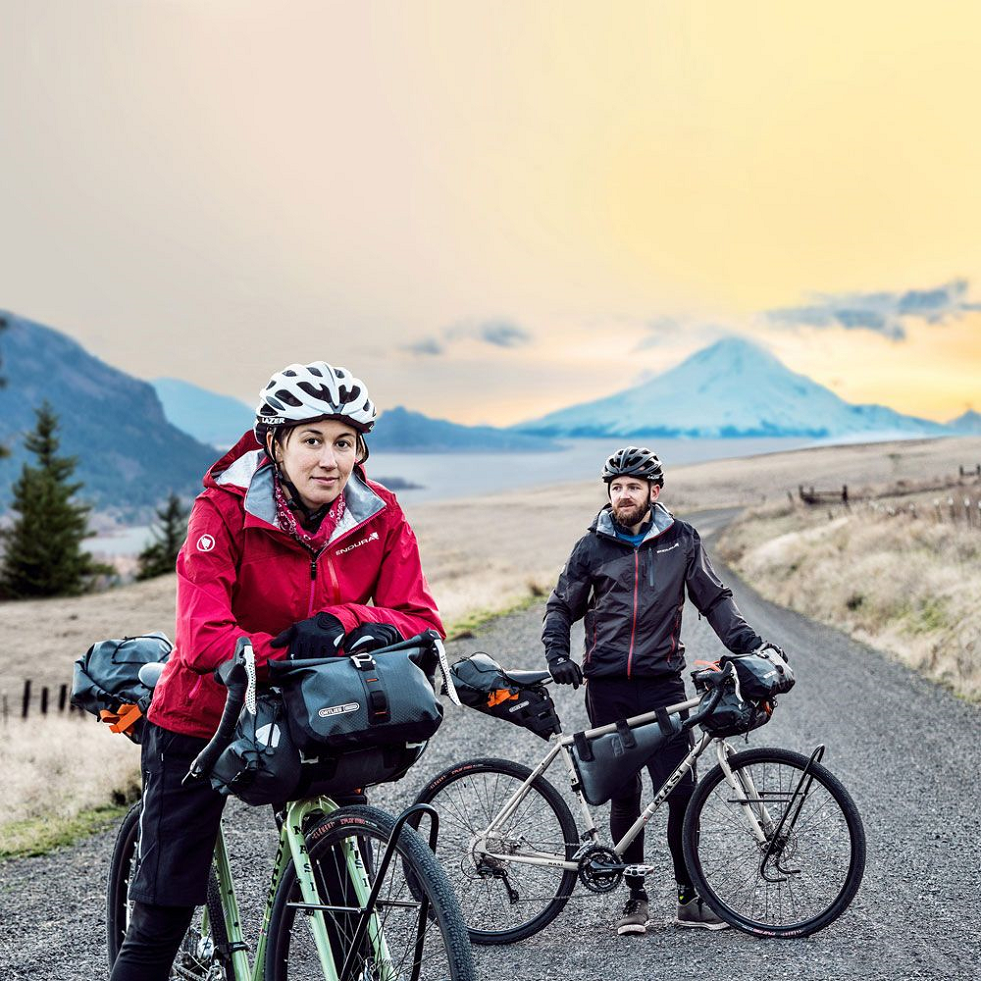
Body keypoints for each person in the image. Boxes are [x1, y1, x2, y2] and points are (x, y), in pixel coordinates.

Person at [110, 361, 443, 981]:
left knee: (346, 903)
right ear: (275, 443)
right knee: (161, 916)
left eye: (344, 442)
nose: (330, 460)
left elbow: (420, 620)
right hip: (203, 718)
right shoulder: (223, 510)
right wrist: (289, 653)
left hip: (316, 715)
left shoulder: (381, 516)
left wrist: (342, 621)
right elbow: (204, 636)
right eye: (312, 440)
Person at [542, 446, 773, 936]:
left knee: (680, 791)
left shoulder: (681, 541)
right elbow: (561, 606)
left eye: (633, 487)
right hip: (607, 688)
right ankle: (635, 897)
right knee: (625, 793)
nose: (623, 495)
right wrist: (558, 655)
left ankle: (690, 898)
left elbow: (715, 601)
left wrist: (752, 647)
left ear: (654, 490)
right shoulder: (591, 547)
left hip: (663, 684)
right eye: (616, 488)